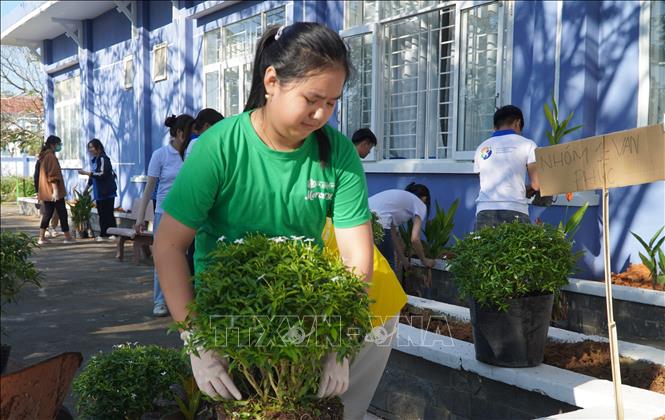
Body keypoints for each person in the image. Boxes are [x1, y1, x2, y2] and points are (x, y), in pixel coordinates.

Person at [153, 23, 391, 419]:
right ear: (272, 81)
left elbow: (356, 258)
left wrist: (339, 345)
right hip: (229, 322)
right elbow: (169, 245)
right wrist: (199, 342)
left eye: (332, 102)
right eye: (312, 99)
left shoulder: (338, 153)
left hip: (305, 320)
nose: (321, 114)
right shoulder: (220, 148)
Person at [134, 113, 195, 317]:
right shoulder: (160, 155)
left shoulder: (192, 153)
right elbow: (149, 188)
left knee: (188, 258)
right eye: (189, 133)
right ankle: (160, 301)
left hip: (188, 214)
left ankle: (186, 301)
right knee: (163, 257)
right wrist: (140, 218)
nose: (193, 137)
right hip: (165, 213)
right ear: (179, 133)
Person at [473, 105, 540, 230]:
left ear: (495, 126)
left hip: (484, 210)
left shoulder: (481, 148)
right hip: (515, 208)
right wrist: (528, 189)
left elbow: (484, 181)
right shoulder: (528, 145)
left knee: (483, 249)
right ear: (517, 122)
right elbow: (536, 184)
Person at [369, 183, 435, 271]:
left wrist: (404, 261)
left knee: (370, 263)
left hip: (362, 219)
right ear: (424, 198)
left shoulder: (398, 201)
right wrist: (424, 260)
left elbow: (392, 235)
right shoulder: (420, 203)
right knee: (388, 267)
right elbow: (415, 238)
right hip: (378, 223)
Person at [36, 135, 75, 245]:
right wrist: (56, 191)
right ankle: (67, 237)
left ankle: (41, 237)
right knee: (62, 213)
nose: (60, 146)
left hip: (46, 191)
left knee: (47, 214)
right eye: (59, 144)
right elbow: (53, 175)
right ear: (53, 145)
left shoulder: (44, 156)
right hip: (53, 192)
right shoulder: (51, 157)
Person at [79, 138, 118, 241]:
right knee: (101, 213)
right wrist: (87, 188)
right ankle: (104, 233)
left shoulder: (103, 159)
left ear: (98, 147)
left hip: (107, 191)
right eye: (89, 148)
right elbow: (93, 177)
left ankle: (113, 233)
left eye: (92, 147)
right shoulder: (94, 160)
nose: (90, 150)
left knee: (108, 213)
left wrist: (86, 173)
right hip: (99, 192)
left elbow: (102, 174)